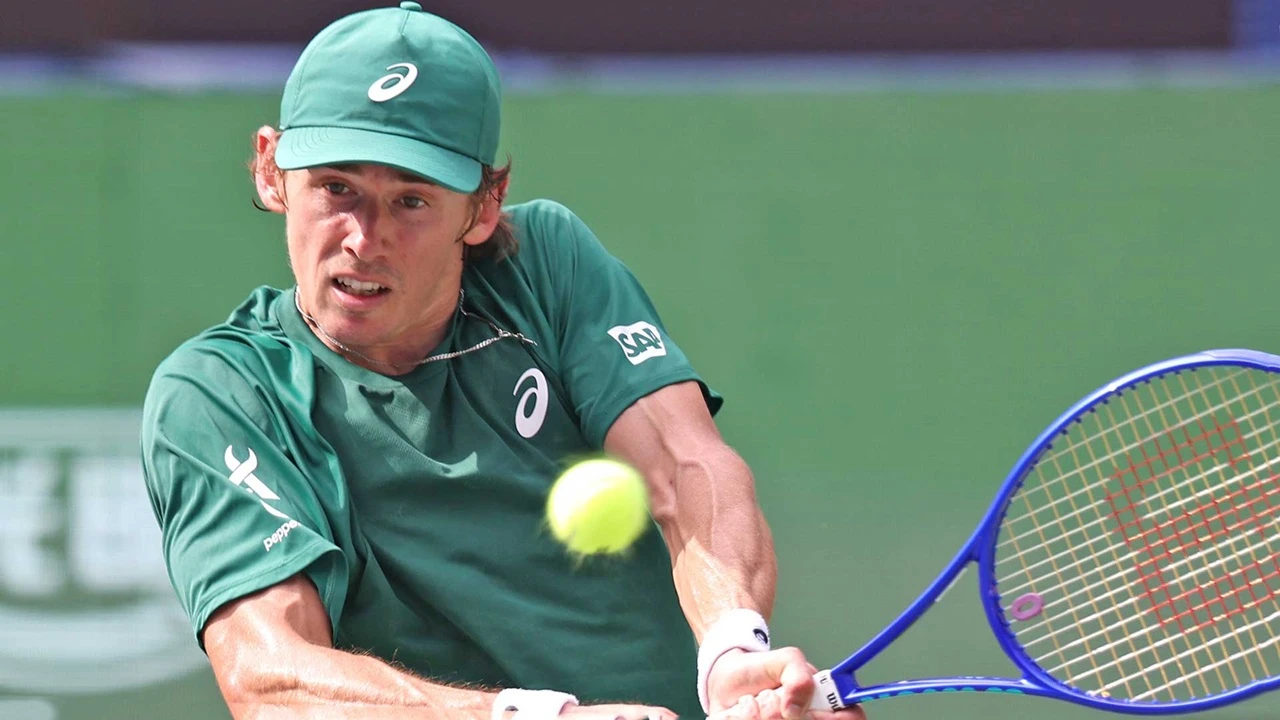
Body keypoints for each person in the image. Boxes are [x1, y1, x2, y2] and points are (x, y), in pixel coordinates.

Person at [141, 3, 866, 719]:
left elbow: (685, 463)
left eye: (411, 201)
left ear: (484, 206)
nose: (363, 238)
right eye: (337, 188)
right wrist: (529, 717)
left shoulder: (545, 265)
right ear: (272, 170)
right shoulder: (220, 393)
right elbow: (273, 679)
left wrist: (733, 647)